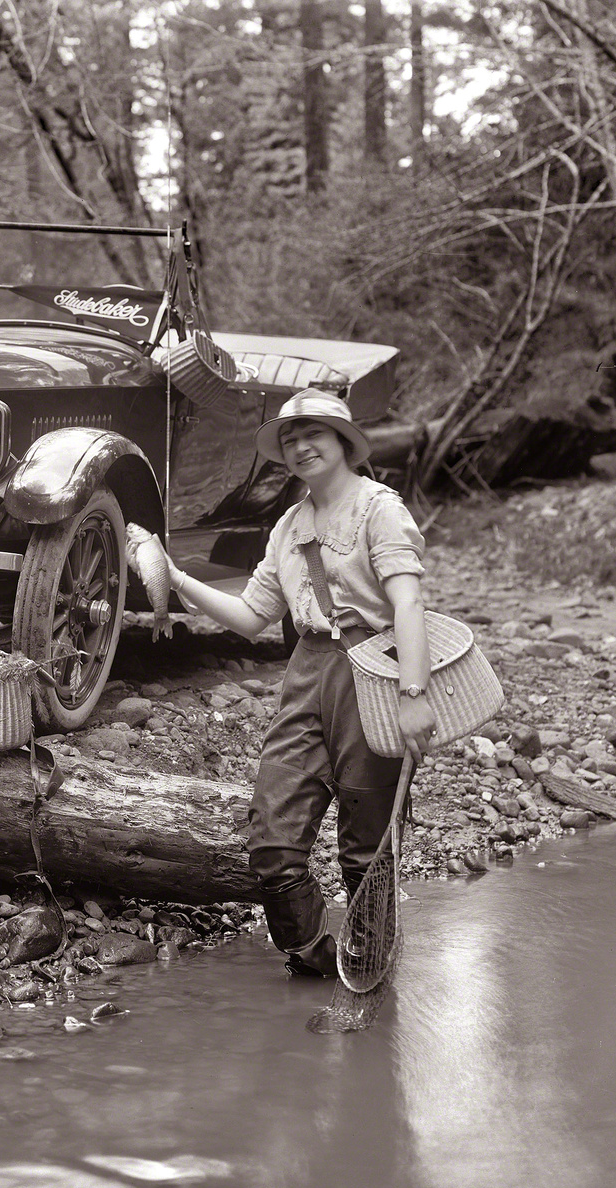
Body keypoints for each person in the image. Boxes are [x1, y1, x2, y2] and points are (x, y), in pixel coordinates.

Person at [163, 389, 436, 978]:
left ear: (344, 442)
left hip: (375, 669)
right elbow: (252, 615)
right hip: (306, 671)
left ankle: (368, 966)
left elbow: (408, 602)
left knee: (366, 849)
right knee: (272, 840)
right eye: (290, 439)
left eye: (314, 434)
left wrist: (414, 696)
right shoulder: (288, 524)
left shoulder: (379, 508)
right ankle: (312, 954)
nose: (301, 446)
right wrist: (178, 579)